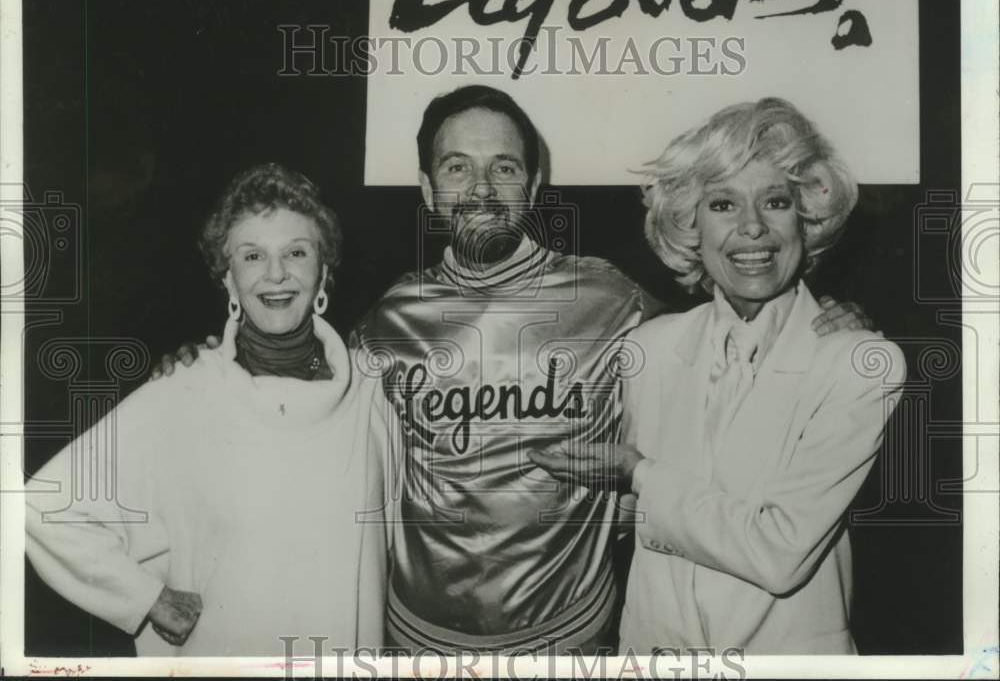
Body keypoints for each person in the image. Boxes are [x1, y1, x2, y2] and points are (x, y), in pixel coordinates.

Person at [153, 86, 872, 653]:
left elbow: (734, 324)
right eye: (456, 166)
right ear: (430, 189)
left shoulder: (611, 297)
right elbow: (296, 412)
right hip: (416, 642)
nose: (482, 187)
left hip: (574, 639)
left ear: (533, 184)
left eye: (504, 166)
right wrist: (208, 365)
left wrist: (830, 319)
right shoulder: (386, 318)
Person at [530, 98, 905, 654]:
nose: (753, 228)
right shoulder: (648, 349)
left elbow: (779, 554)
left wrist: (639, 475)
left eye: (775, 201)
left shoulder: (859, 364)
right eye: (724, 204)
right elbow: (627, 520)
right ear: (690, 228)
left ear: (806, 219)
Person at [25, 163, 386, 656]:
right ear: (228, 278)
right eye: (252, 255)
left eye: (296, 252)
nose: (276, 273)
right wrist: (144, 598)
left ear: (323, 270)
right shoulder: (184, 392)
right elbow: (44, 504)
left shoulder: (373, 392)